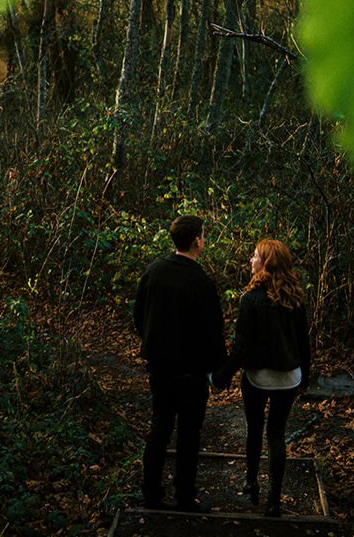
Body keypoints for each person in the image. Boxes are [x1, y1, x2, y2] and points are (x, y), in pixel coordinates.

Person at [212, 239, 312, 518]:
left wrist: (221, 377)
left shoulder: (251, 299)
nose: (250, 259)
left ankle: (251, 481)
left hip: (257, 377)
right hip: (288, 378)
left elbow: (241, 346)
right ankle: (274, 502)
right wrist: (305, 377)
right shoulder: (295, 298)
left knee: (255, 428)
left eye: (254, 256)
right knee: (277, 435)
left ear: (266, 263)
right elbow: (304, 343)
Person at [133, 215, 225, 513]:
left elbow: (139, 316)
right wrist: (218, 370)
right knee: (188, 433)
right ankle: (185, 496)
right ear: (197, 240)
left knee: (159, 427)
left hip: (160, 367)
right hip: (191, 373)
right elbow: (213, 332)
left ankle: (151, 493)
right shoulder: (202, 282)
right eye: (204, 235)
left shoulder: (153, 272)